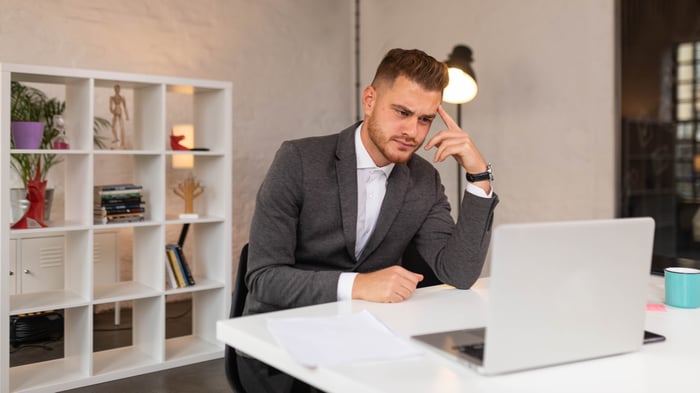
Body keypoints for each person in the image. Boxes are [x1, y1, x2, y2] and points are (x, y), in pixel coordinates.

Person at [237, 48, 499, 393]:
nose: (413, 132)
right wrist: (359, 285)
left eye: (424, 119)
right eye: (402, 112)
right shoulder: (298, 160)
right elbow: (264, 278)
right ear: (370, 100)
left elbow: (460, 273)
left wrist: (479, 177)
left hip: (371, 337)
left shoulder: (424, 179)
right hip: (283, 338)